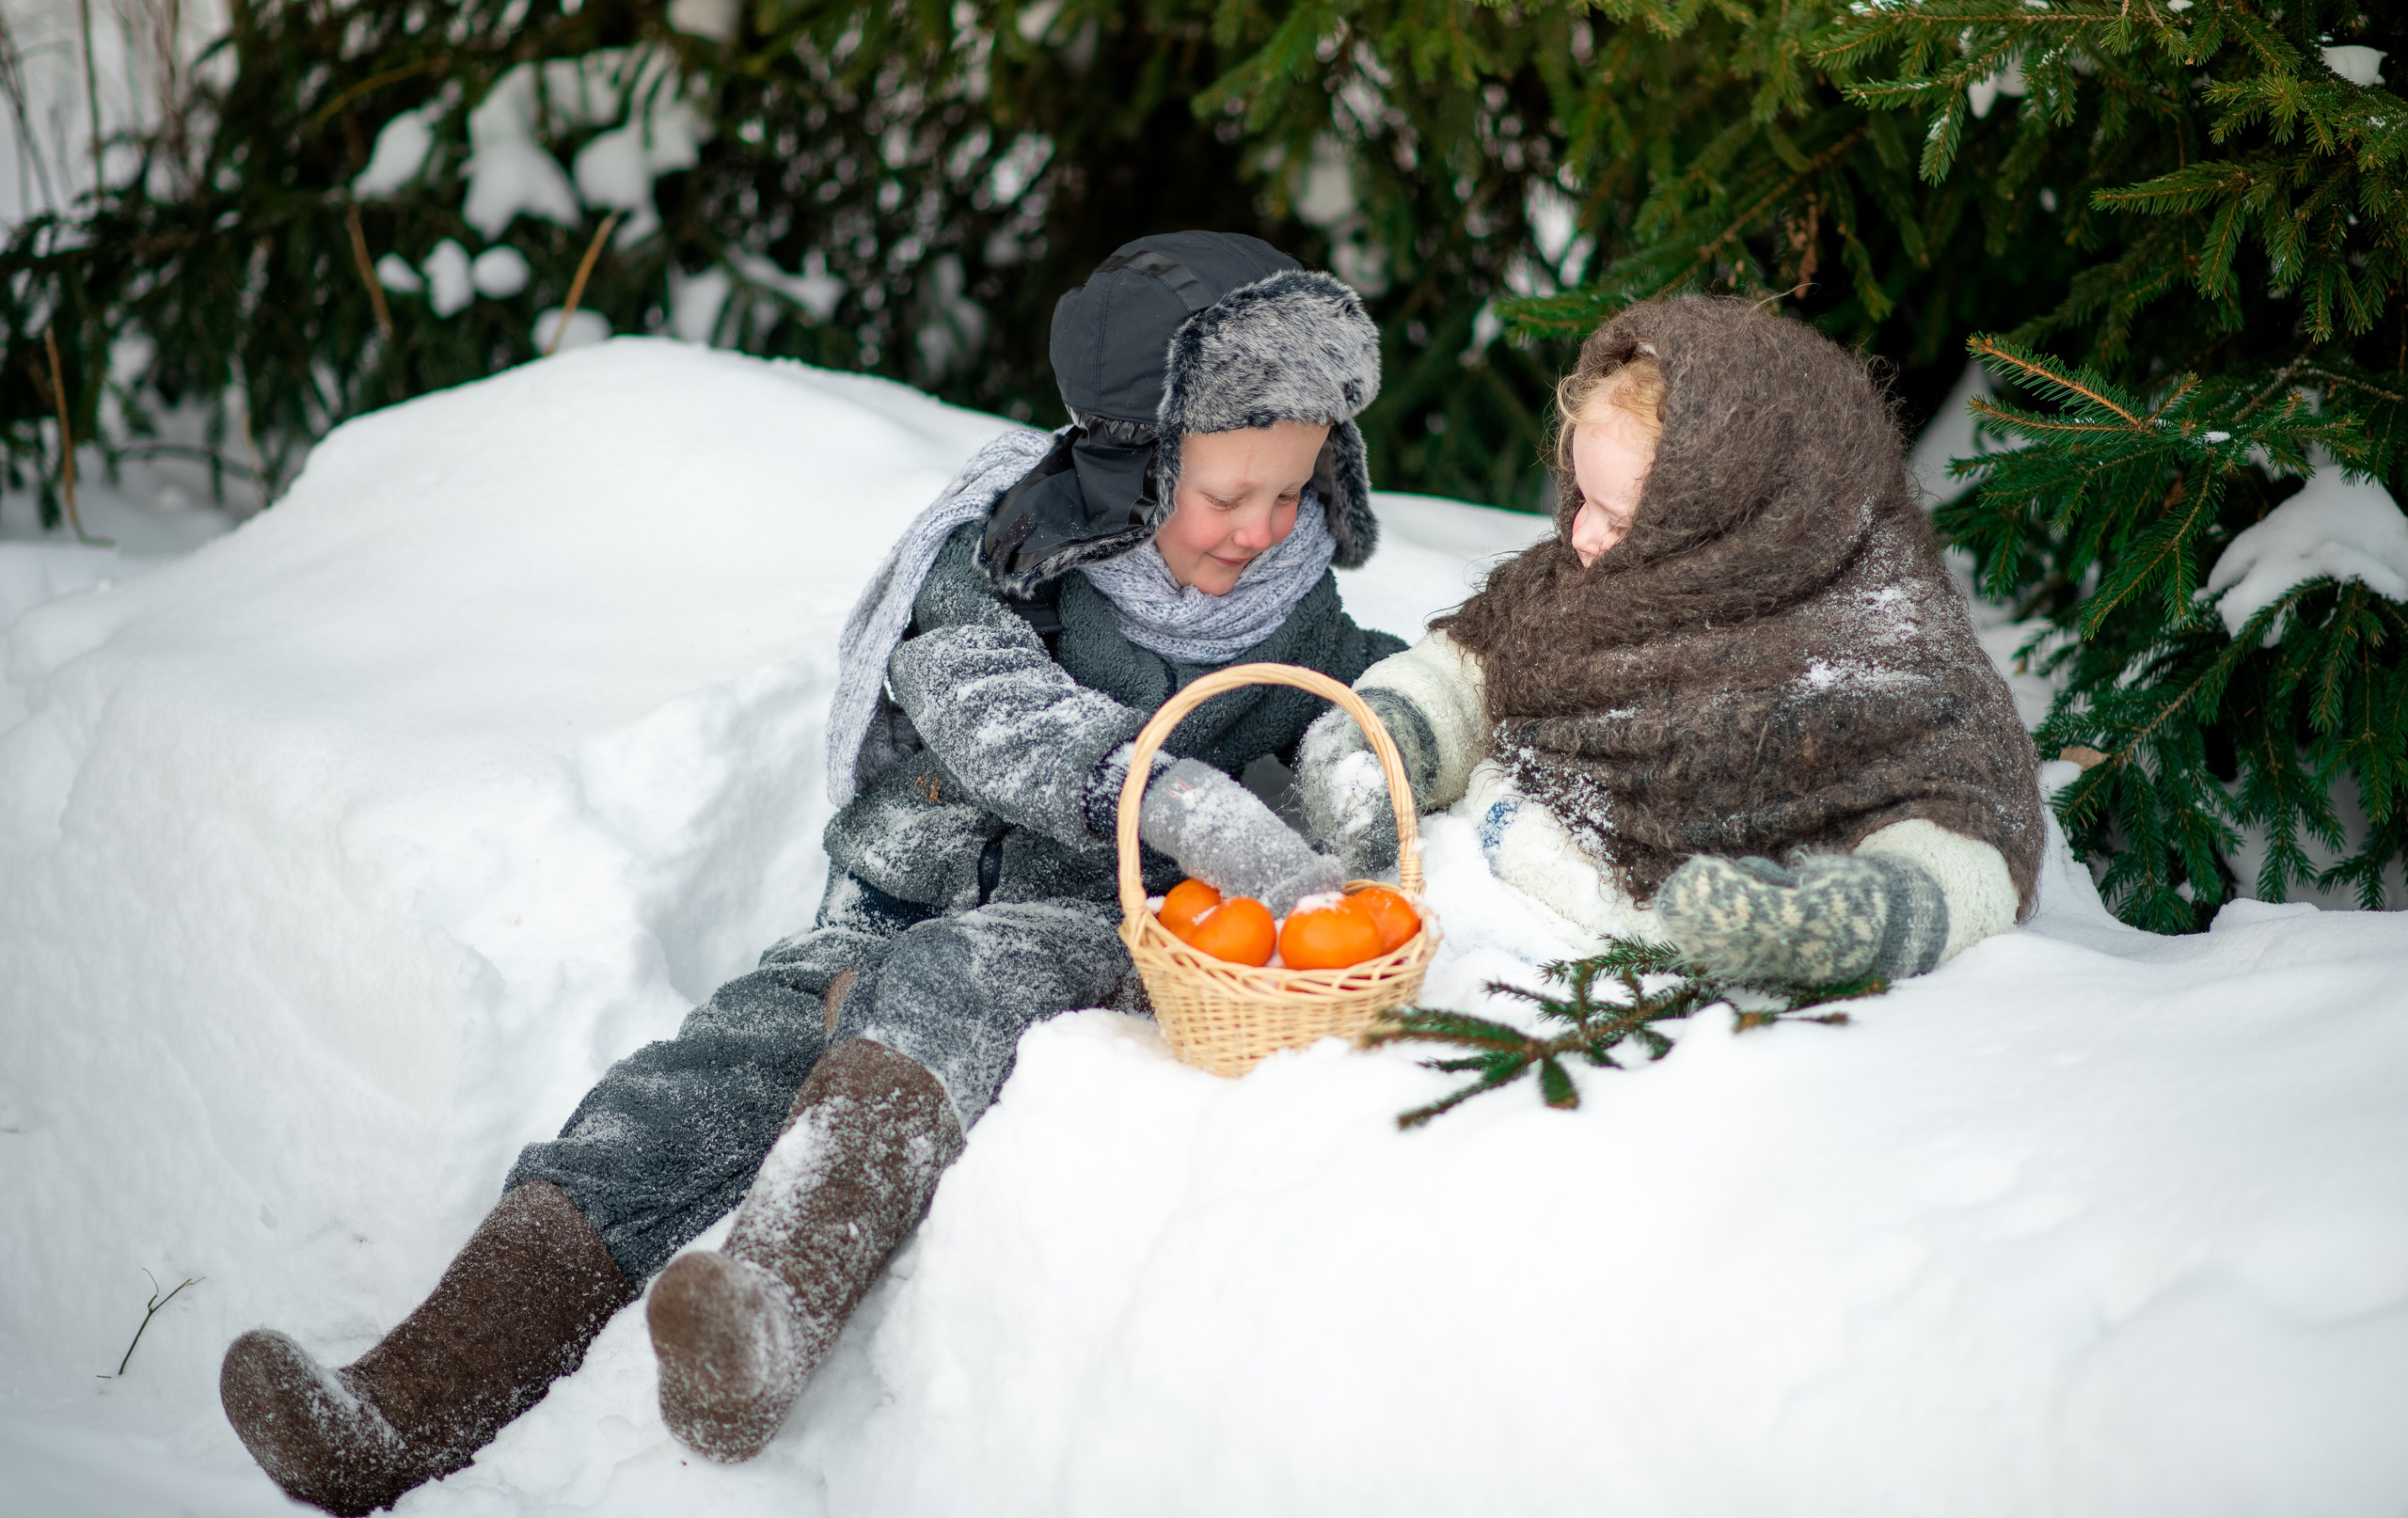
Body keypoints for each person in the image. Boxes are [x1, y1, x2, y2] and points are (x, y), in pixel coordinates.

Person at [218, 232, 1403, 1513]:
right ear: (1133, 463)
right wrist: (1176, 796)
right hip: (887, 906)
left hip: (1073, 932)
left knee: (956, 974)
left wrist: (1365, 749)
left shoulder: (1299, 613)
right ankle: (399, 1404)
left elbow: (1365, 702)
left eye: (1290, 494)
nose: (1263, 529)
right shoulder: (1006, 556)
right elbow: (981, 697)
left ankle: (768, 1312)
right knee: (688, 1082)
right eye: (1229, 494)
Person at [1297, 295, 2044, 985]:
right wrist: (1382, 744)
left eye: (1620, 520)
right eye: (1579, 496)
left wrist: (1852, 917)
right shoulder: (1568, 586)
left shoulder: (1876, 645)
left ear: (1728, 532)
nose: (1581, 534)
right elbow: (1467, 671)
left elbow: (1971, 823)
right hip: (1519, 930)